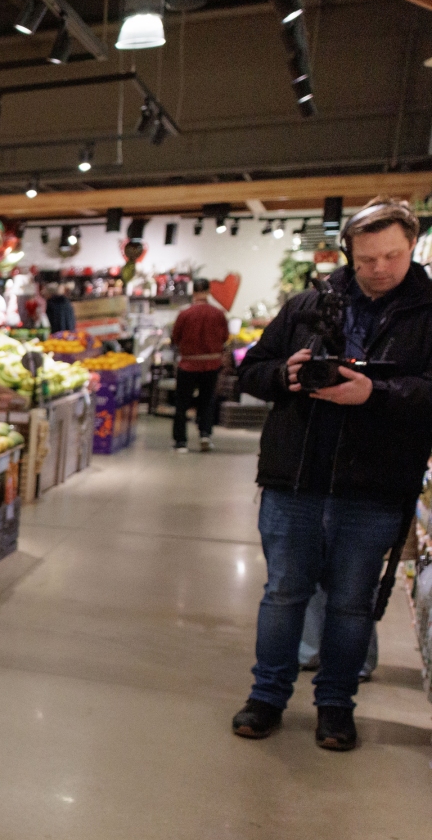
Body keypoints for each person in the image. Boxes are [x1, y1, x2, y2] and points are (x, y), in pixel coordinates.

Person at [232, 197, 432, 750]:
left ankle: (336, 706)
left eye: (392, 256)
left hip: (374, 486)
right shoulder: (307, 305)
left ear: (412, 247)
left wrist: (377, 393)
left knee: (350, 602)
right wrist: (286, 375)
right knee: (283, 594)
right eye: (366, 259)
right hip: (294, 478)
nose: (379, 268)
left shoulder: (428, 312)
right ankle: (267, 697)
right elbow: (251, 371)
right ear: (348, 253)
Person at [170, 278, 230, 452]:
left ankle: (181, 442)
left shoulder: (185, 314)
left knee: (182, 403)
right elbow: (225, 337)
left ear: (194, 292)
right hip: (211, 363)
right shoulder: (218, 314)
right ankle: (205, 434)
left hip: (188, 364)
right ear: (209, 291)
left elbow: (176, 337)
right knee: (207, 401)